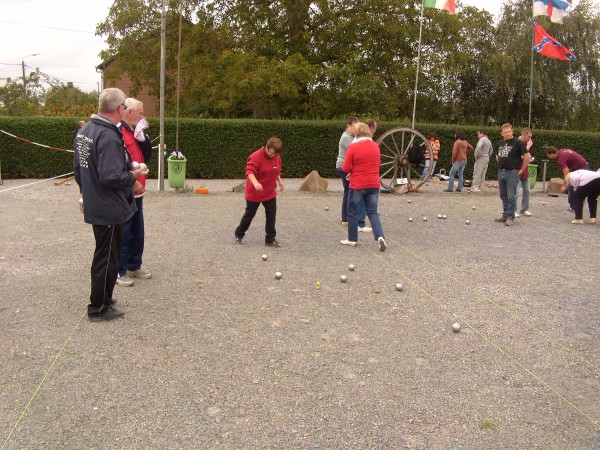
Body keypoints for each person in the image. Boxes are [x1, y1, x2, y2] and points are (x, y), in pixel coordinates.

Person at [73, 88, 147, 321]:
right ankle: (98, 307)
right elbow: (110, 177)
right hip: (109, 207)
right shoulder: (108, 135)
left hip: (98, 203)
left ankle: (105, 297)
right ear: (119, 109)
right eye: (124, 106)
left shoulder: (85, 131)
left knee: (106, 255)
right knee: (107, 257)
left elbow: (79, 171)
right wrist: (133, 177)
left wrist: (85, 194)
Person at [116, 98, 153, 287]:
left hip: (140, 188)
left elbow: (146, 155)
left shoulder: (135, 132)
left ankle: (134, 264)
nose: (142, 116)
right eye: (140, 113)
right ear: (129, 113)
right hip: (126, 189)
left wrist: (143, 138)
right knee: (125, 230)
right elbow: (120, 161)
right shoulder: (119, 132)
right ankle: (119, 270)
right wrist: (131, 182)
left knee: (138, 229)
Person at [340, 122, 387, 251]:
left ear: (357, 133)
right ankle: (380, 236)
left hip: (358, 184)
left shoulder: (353, 147)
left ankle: (352, 239)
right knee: (372, 212)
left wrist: (352, 172)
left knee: (353, 211)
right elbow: (378, 165)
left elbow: (345, 167)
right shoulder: (375, 146)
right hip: (373, 183)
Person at [234, 137, 285, 246]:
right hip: (254, 192)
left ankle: (270, 239)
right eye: (271, 153)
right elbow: (250, 172)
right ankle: (239, 234)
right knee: (249, 215)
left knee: (271, 216)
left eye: (275, 155)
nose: (273, 156)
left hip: (269, 192)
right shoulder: (255, 156)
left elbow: (276, 170)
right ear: (267, 147)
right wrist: (256, 183)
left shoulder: (277, 157)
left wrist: (280, 181)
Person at [335, 117, 369, 232]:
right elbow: (355, 151)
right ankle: (347, 218)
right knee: (349, 192)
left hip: (346, 166)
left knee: (349, 192)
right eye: (354, 127)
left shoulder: (352, 137)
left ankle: (346, 218)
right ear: (348, 126)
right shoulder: (346, 138)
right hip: (344, 167)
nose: (355, 129)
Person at [494, 123, 530, 226]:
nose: (508, 133)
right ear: (502, 133)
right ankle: (505, 215)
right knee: (503, 195)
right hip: (502, 171)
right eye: (506, 132)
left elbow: (527, 156)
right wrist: (502, 164)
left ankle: (510, 216)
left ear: (512, 131)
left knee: (511, 195)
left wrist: (522, 169)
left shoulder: (518, 143)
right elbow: (497, 156)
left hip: (513, 172)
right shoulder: (499, 143)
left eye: (509, 131)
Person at [544, 145, 590, 211]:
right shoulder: (561, 151)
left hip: (581, 168)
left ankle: (573, 207)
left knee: (571, 186)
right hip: (582, 166)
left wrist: (564, 185)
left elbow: (566, 172)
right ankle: (577, 204)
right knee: (577, 186)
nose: (548, 157)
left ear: (551, 154)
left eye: (548, 155)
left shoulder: (560, 159)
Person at [515, 127, 534, 217]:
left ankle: (524, 209)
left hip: (525, 170)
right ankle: (513, 210)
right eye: (529, 137)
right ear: (523, 135)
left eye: (530, 137)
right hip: (518, 170)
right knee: (516, 191)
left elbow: (527, 157)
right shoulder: (517, 142)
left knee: (527, 190)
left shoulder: (524, 143)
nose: (530, 139)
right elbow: (521, 156)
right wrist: (528, 147)